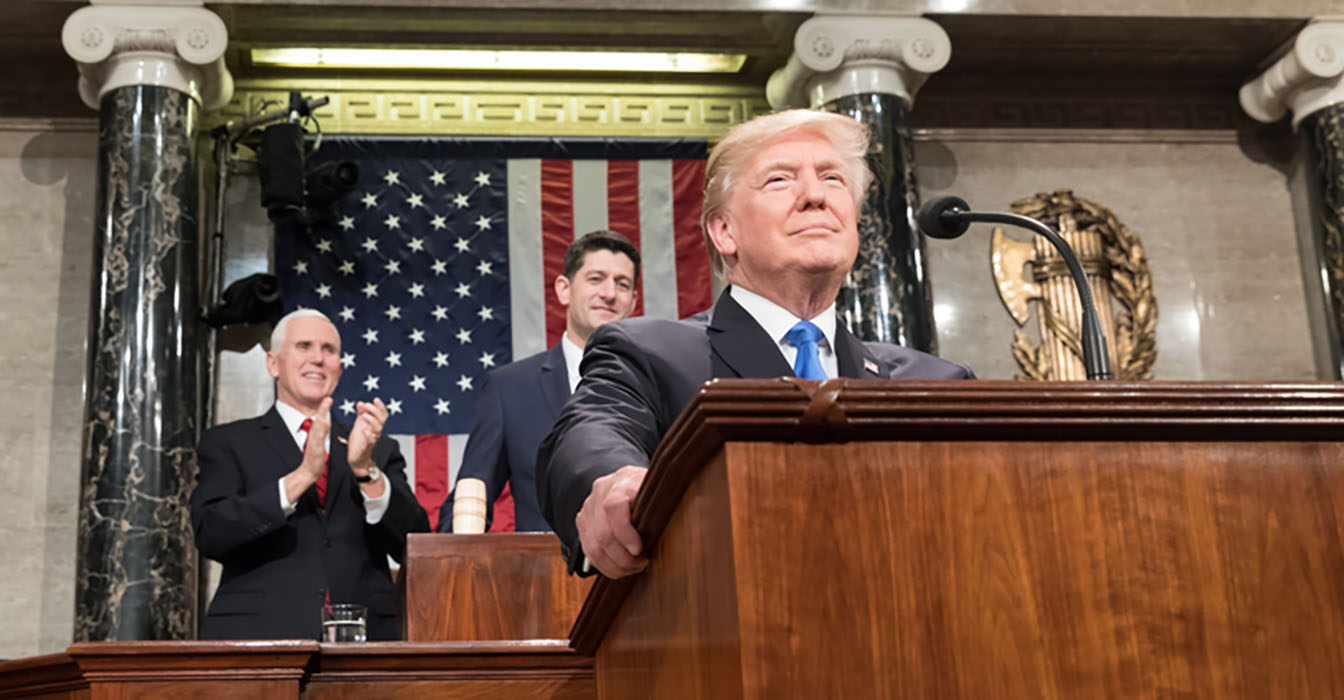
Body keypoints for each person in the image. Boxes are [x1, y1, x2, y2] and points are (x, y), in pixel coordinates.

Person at [536, 109, 975, 579]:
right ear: (724, 231)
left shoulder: (936, 382)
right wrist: (613, 480)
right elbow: (590, 432)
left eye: (832, 178)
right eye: (780, 180)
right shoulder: (649, 352)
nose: (815, 195)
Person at [190, 309, 430, 640]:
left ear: (340, 369)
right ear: (273, 364)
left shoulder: (377, 448)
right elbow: (211, 533)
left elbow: (414, 542)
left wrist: (365, 471)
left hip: (366, 639)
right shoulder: (229, 442)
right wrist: (301, 477)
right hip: (258, 637)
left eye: (329, 350)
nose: (317, 358)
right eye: (303, 346)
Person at [437, 230, 641, 533]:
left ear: (633, 301)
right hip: (543, 575)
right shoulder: (510, 390)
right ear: (564, 289)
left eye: (622, 284)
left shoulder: (656, 384)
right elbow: (469, 500)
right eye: (596, 279)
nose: (610, 293)